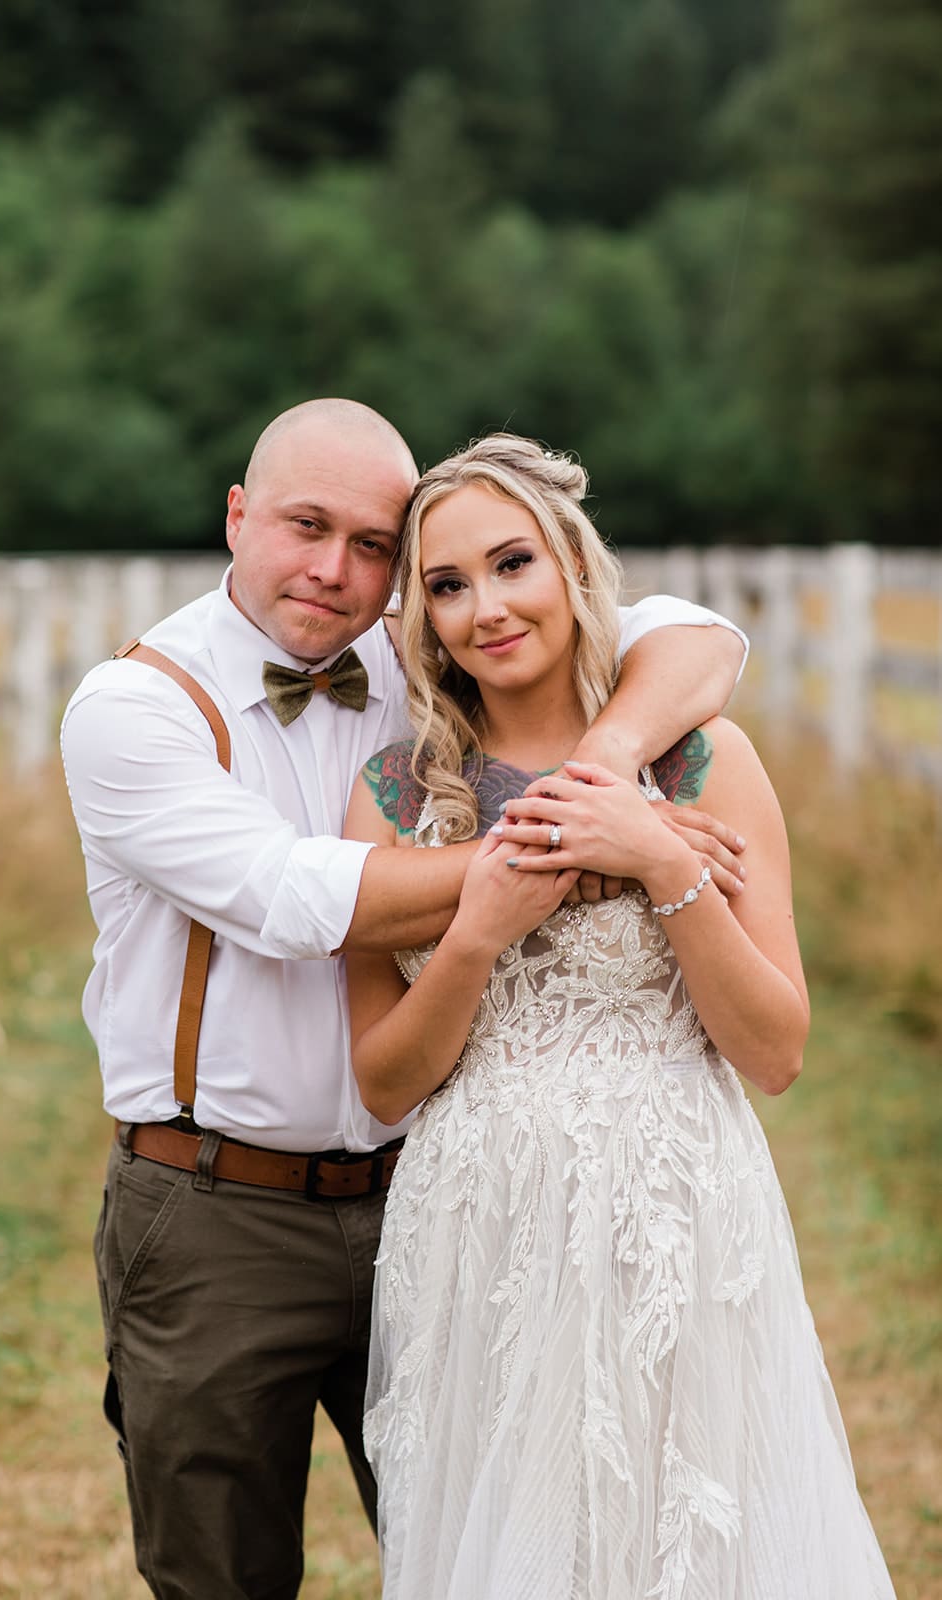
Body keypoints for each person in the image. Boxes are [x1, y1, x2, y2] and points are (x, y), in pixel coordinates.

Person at [60, 399, 748, 1600]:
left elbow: (694, 635)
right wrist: (593, 849)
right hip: (220, 1208)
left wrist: (604, 764)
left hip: (441, 1193)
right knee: (219, 1569)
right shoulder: (135, 708)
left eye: (371, 543)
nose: (334, 570)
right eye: (302, 526)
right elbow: (295, 895)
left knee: (486, 1554)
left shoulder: (420, 645)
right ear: (236, 516)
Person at [344, 433, 896, 1600]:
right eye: (446, 584)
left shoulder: (704, 761)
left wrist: (657, 859)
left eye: (511, 563)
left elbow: (776, 1047)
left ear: (571, 567)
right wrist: (479, 928)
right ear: (421, 616)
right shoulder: (395, 794)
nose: (485, 607)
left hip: (674, 1217)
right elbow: (385, 1082)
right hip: (478, 1227)